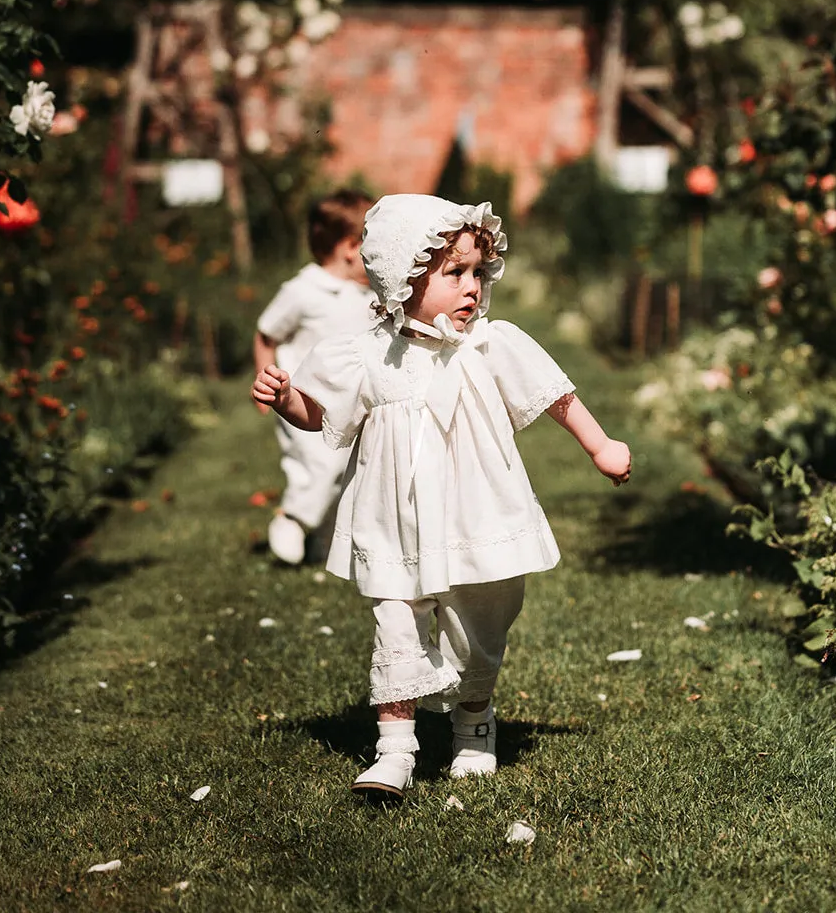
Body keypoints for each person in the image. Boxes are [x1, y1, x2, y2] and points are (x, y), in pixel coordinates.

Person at [252, 192, 631, 797]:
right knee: (396, 620)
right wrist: (287, 399)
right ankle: (395, 749)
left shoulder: (491, 343)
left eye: (478, 271)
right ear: (403, 279)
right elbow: (323, 411)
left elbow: (555, 393)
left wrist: (600, 443)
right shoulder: (372, 350)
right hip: (395, 514)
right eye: (454, 272)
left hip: (477, 509)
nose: (472, 286)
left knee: (478, 621)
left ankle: (474, 722)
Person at [253, 188, 374, 565]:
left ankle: (325, 538)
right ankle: (291, 518)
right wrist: (266, 381)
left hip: (349, 400)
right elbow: (265, 333)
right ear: (351, 247)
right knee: (322, 464)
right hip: (301, 398)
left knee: (348, 468)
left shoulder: (370, 295)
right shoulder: (303, 291)